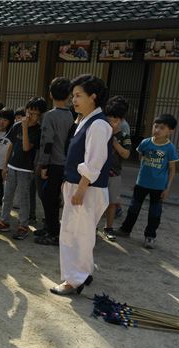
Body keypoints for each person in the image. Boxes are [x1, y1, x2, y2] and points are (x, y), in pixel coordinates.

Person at [50, 74, 112, 296]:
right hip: (79, 186)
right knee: (79, 234)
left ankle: (74, 281)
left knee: (75, 235)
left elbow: (94, 161)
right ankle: (83, 273)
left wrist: (81, 188)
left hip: (86, 189)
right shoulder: (86, 120)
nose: (73, 100)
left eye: (78, 95)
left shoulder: (98, 125)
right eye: (73, 96)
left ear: (93, 97)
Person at [0, 97, 46, 240]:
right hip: (12, 166)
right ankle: (4, 221)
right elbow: (11, 145)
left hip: (26, 170)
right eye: (29, 112)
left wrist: (25, 128)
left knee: (23, 198)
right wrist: (5, 165)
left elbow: (26, 147)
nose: (30, 116)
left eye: (34, 114)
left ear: (39, 116)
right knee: (7, 195)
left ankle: (23, 225)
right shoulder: (16, 126)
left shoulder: (37, 130)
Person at [116, 114, 178, 248]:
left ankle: (150, 236)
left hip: (159, 186)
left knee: (155, 213)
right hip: (141, 184)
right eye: (156, 126)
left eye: (162, 128)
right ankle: (125, 230)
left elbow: (172, 170)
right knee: (133, 208)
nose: (157, 130)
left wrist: (167, 188)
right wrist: (140, 177)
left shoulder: (170, 148)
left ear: (170, 131)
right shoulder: (145, 143)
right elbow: (141, 158)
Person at [34, 77, 75, 246]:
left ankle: (53, 232)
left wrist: (43, 165)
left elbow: (47, 142)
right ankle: (50, 226)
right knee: (53, 197)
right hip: (66, 162)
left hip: (53, 163)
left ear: (50, 94)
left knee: (48, 197)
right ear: (68, 96)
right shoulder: (72, 115)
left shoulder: (50, 116)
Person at [101, 96, 131, 241]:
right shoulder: (101, 132)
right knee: (97, 202)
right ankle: (92, 226)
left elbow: (126, 154)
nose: (112, 123)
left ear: (121, 121)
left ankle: (108, 227)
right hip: (100, 173)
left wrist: (114, 142)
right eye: (109, 119)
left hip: (115, 174)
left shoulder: (124, 136)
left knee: (112, 203)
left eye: (115, 120)